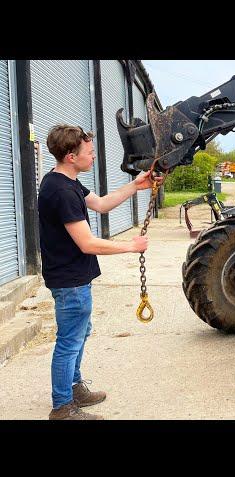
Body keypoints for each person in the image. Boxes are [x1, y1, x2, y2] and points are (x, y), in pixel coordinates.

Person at [38, 124, 163, 420]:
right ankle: (62, 406)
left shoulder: (66, 182)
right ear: (71, 156)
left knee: (80, 334)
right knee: (69, 341)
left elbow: (102, 205)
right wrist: (131, 247)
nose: (93, 156)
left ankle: (74, 388)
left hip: (74, 278)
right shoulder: (62, 192)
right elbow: (87, 243)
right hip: (69, 281)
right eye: (89, 152)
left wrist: (136, 185)